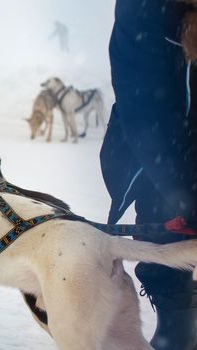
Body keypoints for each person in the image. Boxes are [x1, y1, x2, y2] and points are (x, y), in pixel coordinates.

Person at [100, 0, 197, 349]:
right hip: (163, 158)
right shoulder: (144, 9)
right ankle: (178, 325)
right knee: (168, 236)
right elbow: (147, 113)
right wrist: (184, 195)